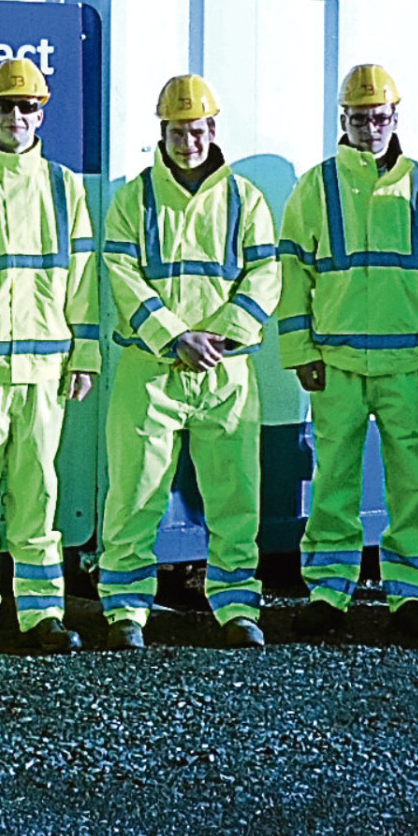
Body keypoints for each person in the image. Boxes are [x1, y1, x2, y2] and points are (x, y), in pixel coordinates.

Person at [96, 74, 283, 647]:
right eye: (177, 132)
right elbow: (120, 272)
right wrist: (176, 336)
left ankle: (235, 605)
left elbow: (266, 274)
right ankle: (125, 607)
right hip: (151, 369)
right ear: (163, 131)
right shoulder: (135, 198)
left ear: (212, 129)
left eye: (196, 131)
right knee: (134, 493)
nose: (188, 143)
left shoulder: (244, 199)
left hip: (223, 371)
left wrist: (220, 335)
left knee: (235, 495)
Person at [279, 64, 418, 638]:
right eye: (360, 119)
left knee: (416, 482)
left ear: (395, 118)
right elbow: (293, 271)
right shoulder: (318, 185)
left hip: (409, 364)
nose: (371, 128)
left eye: (380, 118)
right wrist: (299, 348)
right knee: (334, 480)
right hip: (337, 363)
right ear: (343, 121)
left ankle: (409, 594)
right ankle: (330, 592)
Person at [0, 56, 99, 654]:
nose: (16, 116)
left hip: (45, 369)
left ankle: (41, 613)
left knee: (38, 490)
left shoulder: (66, 187)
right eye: (5, 105)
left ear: (42, 112)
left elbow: (84, 279)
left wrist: (86, 353)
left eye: (27, 106)